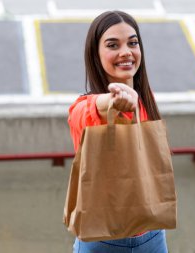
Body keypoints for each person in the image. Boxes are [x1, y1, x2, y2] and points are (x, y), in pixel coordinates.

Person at [67, 10, 168, 253]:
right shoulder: (84, 107)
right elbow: (93, 109)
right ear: (96, 53)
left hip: (153, 235)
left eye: (132, 43)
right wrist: (113, 102)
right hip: (102, 240)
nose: (126, 52)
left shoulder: (146, 99)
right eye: (113, 45)